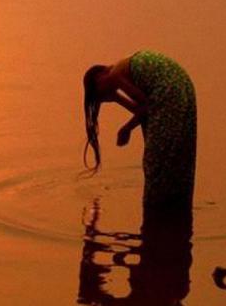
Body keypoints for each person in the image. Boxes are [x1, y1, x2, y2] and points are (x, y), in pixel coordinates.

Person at [82, 50, 197, 209]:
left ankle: (156, 210)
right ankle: (175, 211)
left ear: (100, 76)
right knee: (177, 155)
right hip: (183, 87)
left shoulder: (115, 74)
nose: (102, 98)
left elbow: (148, 107)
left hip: (169, 91)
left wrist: (126, 129)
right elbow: (142, 112)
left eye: (98, 92)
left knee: (155, 160)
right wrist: (116, 98)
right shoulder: (122, 72)